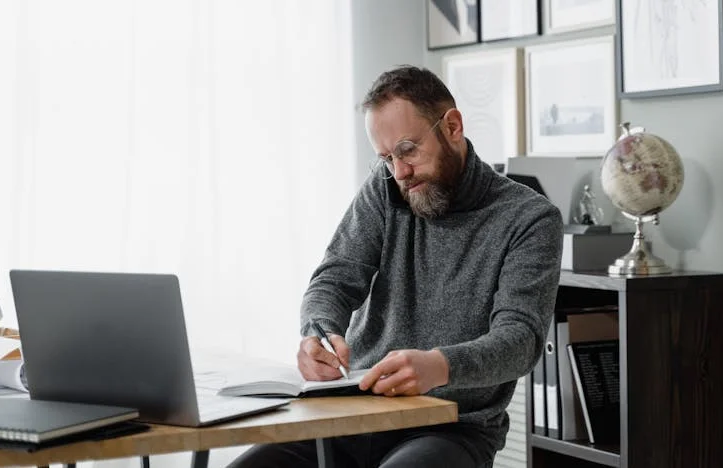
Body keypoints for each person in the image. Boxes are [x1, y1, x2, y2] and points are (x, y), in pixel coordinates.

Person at [228, 65, 563, 467]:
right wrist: (317, 332)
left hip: (452, 427)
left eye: (407, 150)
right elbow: (334, 280)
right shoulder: (386, 188)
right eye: (387, 158)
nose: (399, 172)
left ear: (453, 126)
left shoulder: (529, 218)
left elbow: (520, 341)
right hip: (354, 413)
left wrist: (439, 367)